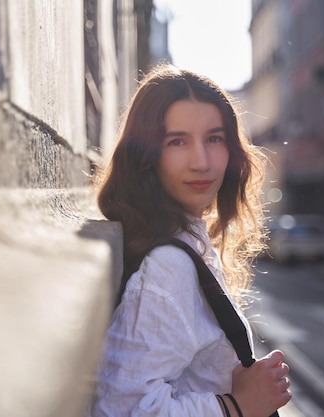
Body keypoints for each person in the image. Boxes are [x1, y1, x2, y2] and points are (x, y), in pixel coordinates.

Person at [90, 64, 291, 417]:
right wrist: (237, 405)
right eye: (177, 141)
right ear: (146, 155)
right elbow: (122, 408)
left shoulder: (180, 238)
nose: (201, 162)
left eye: (214, 139)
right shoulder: (169, 266)